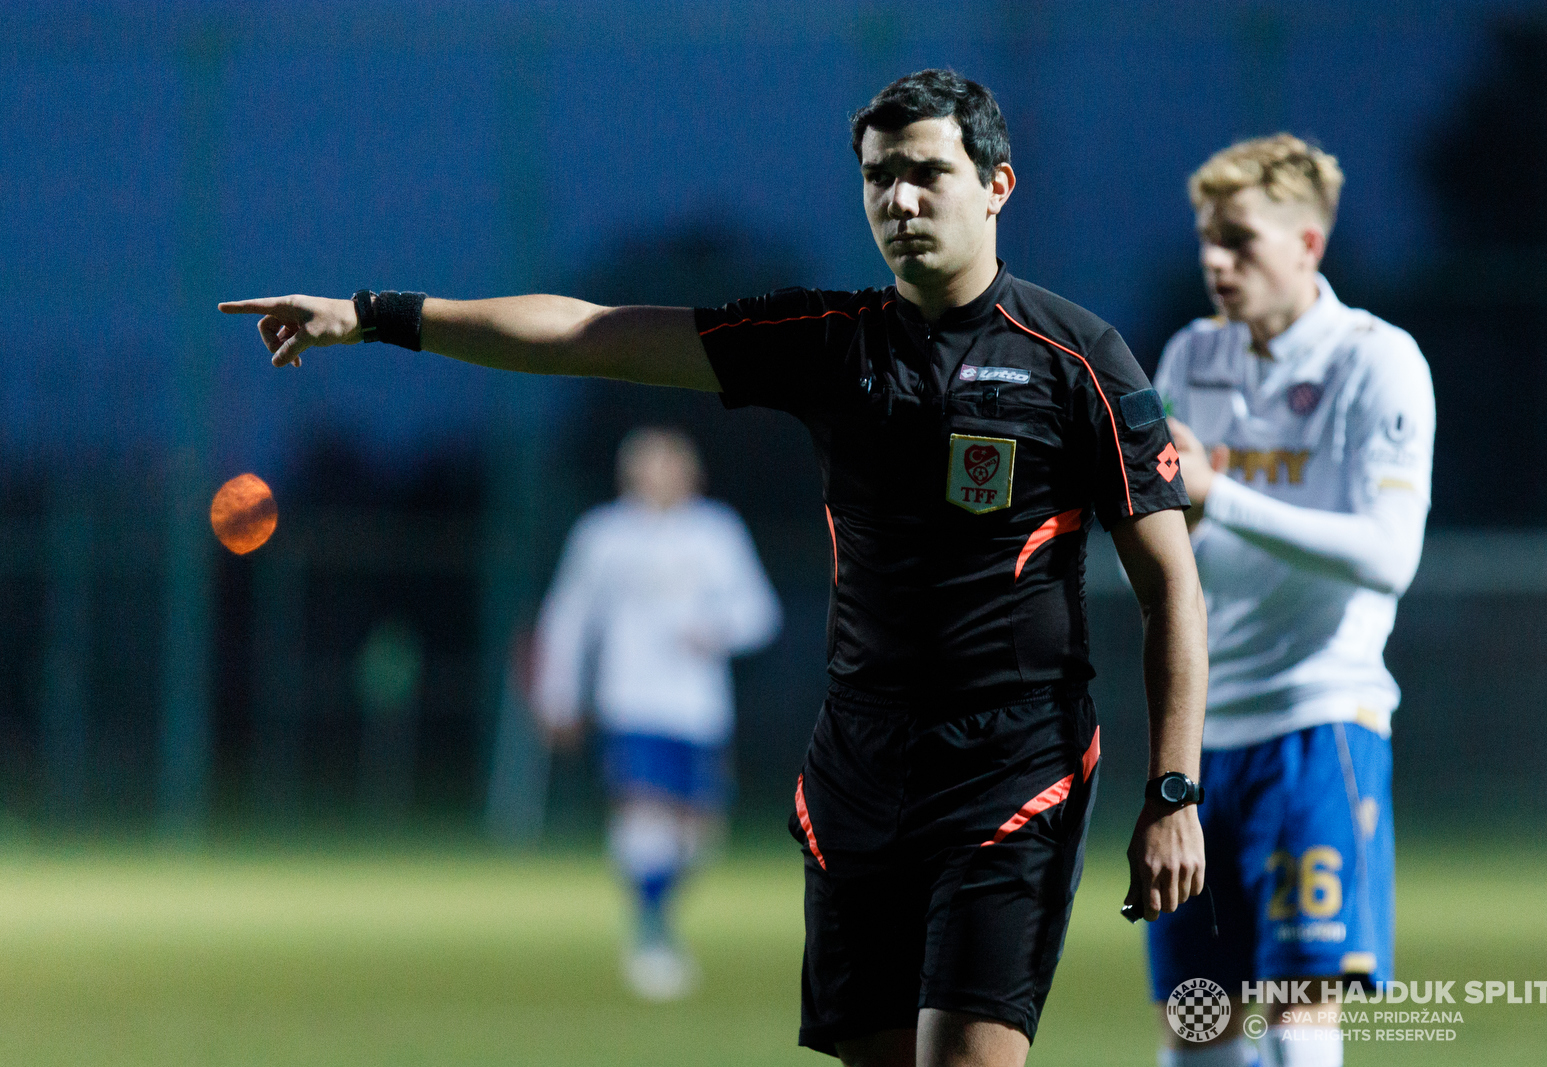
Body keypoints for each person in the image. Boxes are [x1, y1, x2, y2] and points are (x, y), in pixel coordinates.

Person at [221, 68, 1209, 1067]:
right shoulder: (829, 343)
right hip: (858, 761)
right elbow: (587, 335)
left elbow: (1173, 587)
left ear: (996, 184)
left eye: (925, 173)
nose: (898, 200)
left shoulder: (1078, 358)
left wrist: (1172, 791)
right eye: (877, 178)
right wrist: (376, 313)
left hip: (1012, 765)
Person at [1147, 135, 1435, 1067]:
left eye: (1240, 241)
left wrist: (1220, 496)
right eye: (1206, 240)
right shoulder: (1193, 354)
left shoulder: (1377, 362)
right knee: (1196, 1025)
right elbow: (1169, 545)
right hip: (1199, 735)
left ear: (1309, 244)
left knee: (1298, 1018)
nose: (1215, 262)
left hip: (1318, 724)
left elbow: (1389, 557)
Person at [532, 426, 781, 1001]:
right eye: (644, 467)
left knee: (698, 835)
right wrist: (558, 694)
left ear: (689, 472)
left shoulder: (717, 532)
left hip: (698, 708)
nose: (655, 477)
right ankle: (650, 935)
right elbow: (568, 617)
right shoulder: (603, 535)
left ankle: (657, 916)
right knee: (643, 815)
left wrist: (715, 632)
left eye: (666, 466)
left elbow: (759, 612)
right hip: (630, 702)